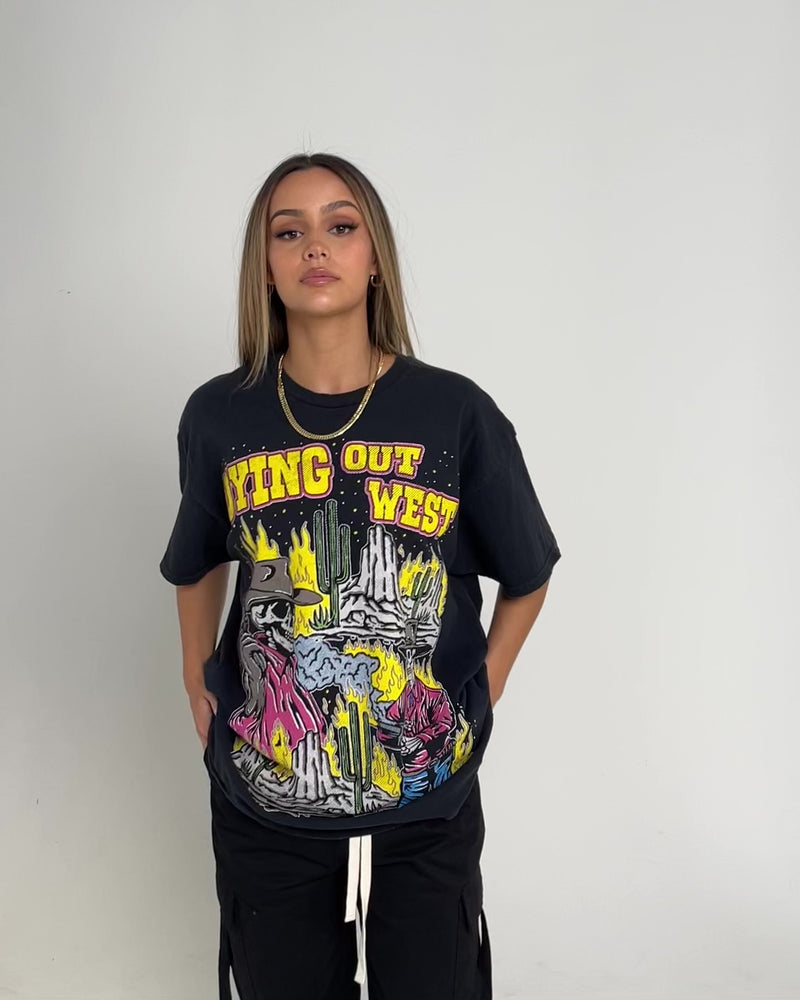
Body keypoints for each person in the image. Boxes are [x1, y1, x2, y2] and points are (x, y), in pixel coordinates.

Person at [159, 152, 562, 1000]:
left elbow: (528, 569)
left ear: (374, 255)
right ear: (265, 266)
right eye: (289, 232)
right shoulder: (221, 413)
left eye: (340, 226)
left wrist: (482, 687)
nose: (316, 247)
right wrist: (197, 677)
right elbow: (196, 562)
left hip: (427, 807)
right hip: (267, 802)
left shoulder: (453, 411)